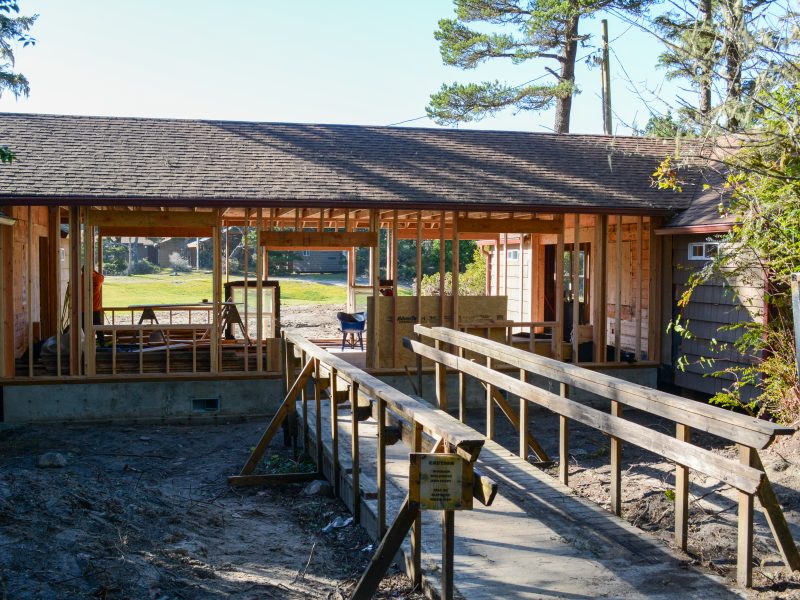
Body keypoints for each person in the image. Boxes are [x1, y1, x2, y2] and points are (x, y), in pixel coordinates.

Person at [81, 267, 105, 344]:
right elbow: (102, 276)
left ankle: (86, 346)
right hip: (94, 309)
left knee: (84, 329)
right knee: (98, 328)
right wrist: (94, 271)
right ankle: (102, 344)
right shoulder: (98, 279)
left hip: (82, 309)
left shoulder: (80, 279)